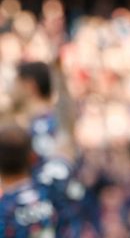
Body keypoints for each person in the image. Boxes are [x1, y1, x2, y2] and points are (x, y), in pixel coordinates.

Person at [0, 63, 84, 237]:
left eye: (15, 82)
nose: (11, 89)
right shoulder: (53, 125)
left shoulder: (41, 129)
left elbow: (53, 183)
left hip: (49, 224)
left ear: (29, 85)